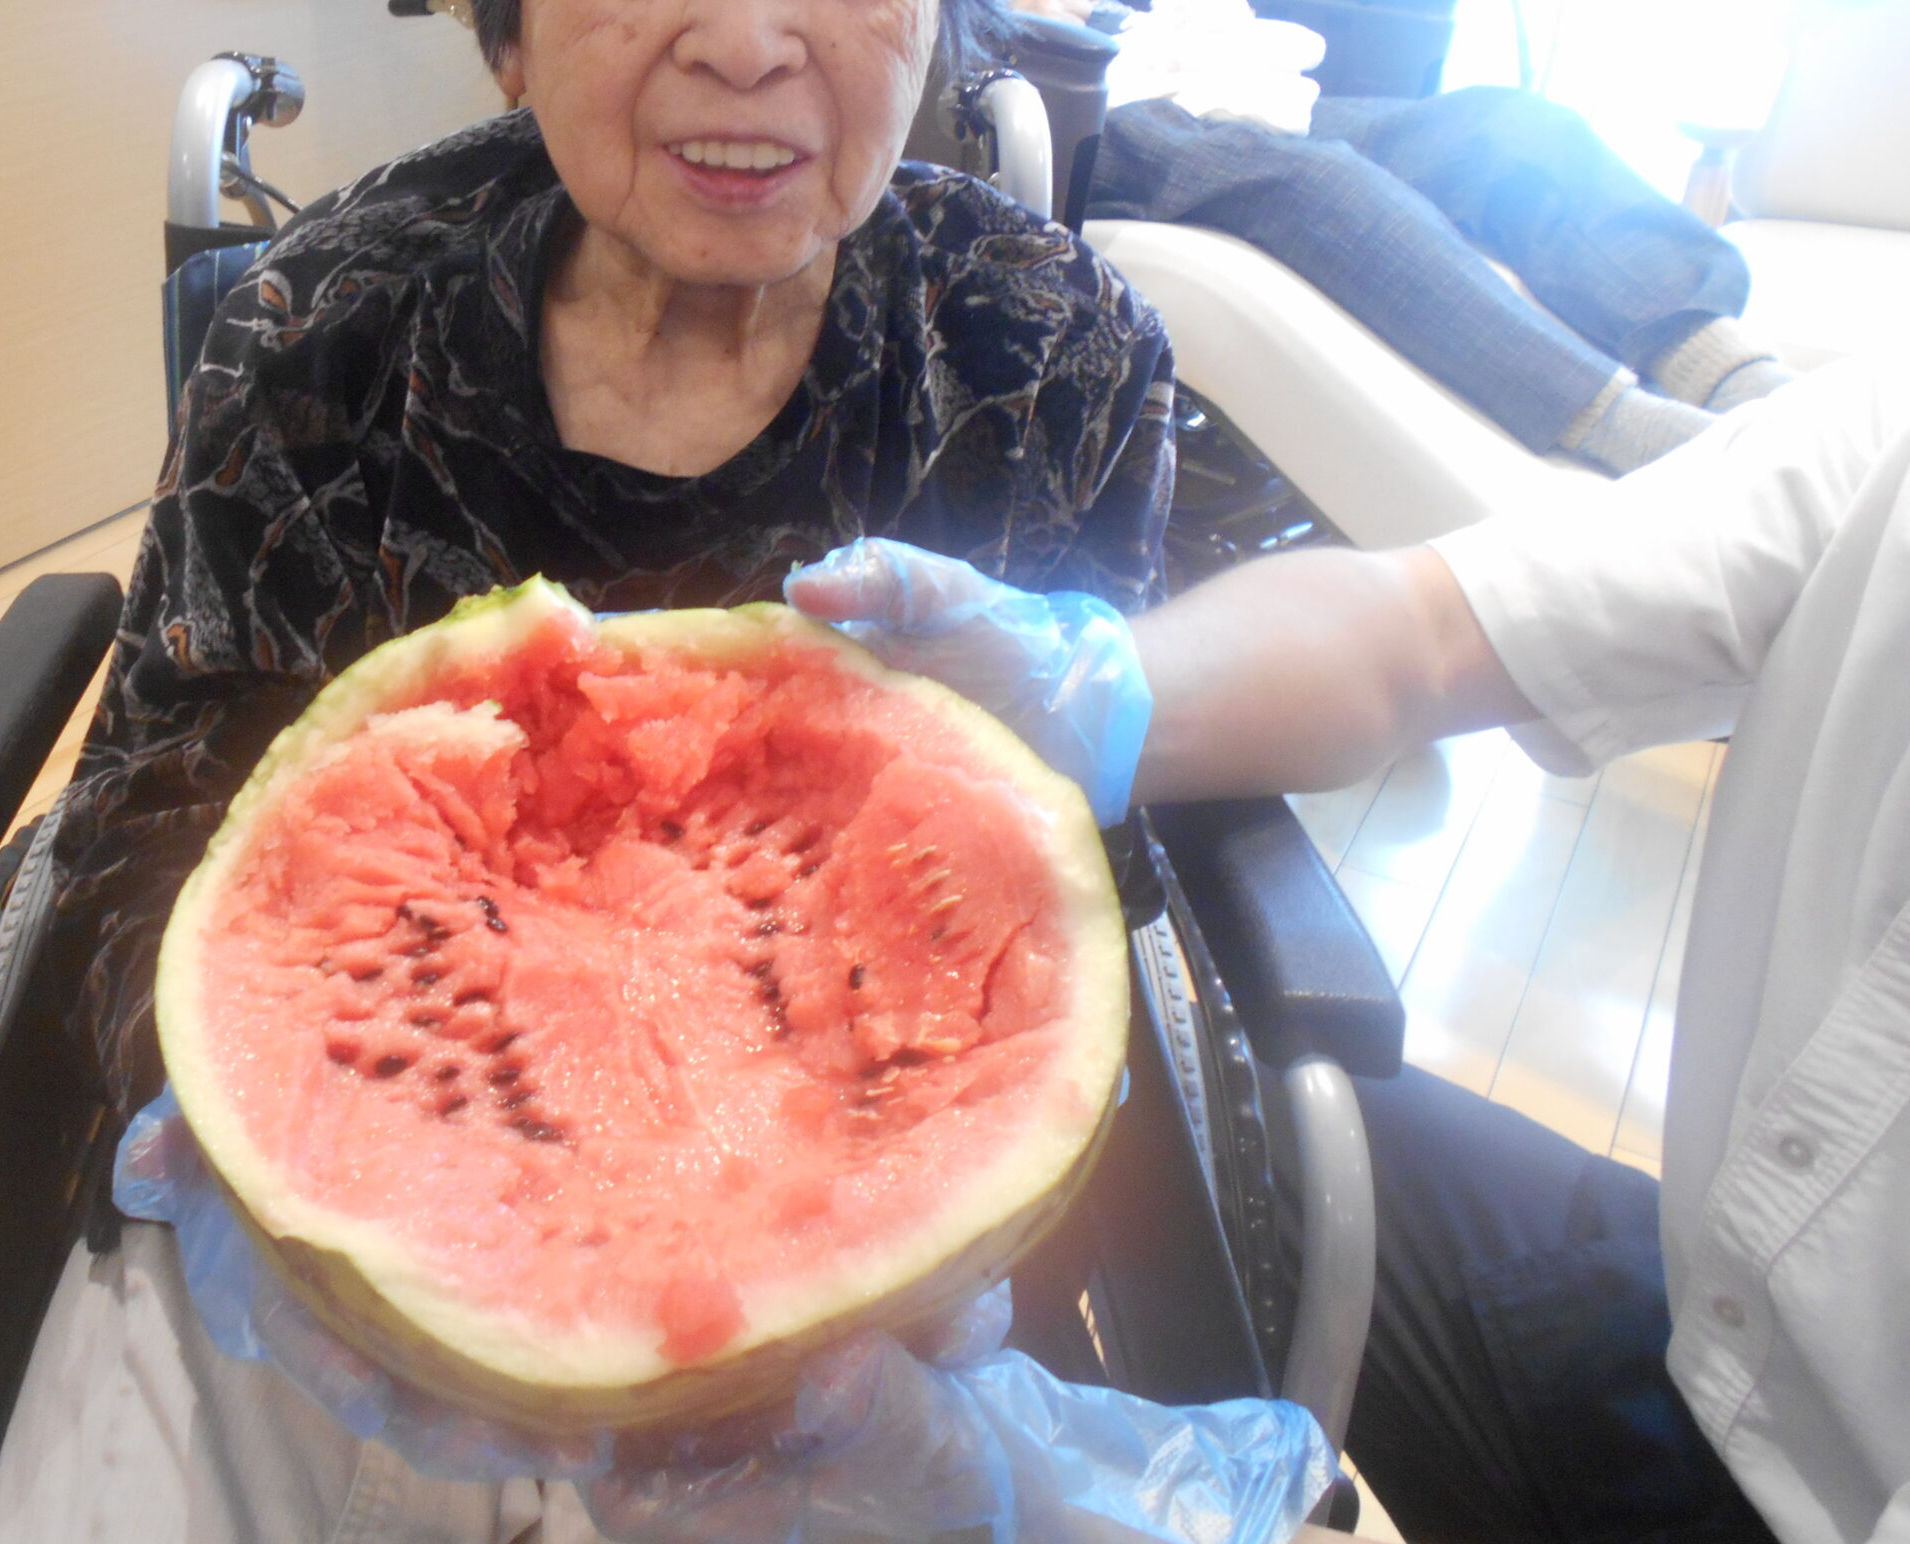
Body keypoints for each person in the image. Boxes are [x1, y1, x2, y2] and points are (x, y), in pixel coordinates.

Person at [0, 0, 1178, 1535]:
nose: (749, 32)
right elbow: (152, 810)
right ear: (503, 4)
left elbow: (1055, 922)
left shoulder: (1045, 362)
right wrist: (290, 1166)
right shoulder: (320, 340)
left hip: (874, 1372)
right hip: (322, 1322)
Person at [792, 356, 1910, 1544]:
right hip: (1695, 1313)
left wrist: (1102, 1516)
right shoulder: (1882, 438)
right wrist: (1086, 685)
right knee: (1216, 1114)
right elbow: (1418, 632)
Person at [1012, 0, 1795, 476]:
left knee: (1504, 128)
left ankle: (1729, 373)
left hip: (1151, 61)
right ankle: (1628, 431)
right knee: (1298, 177)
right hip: (1040, 96)